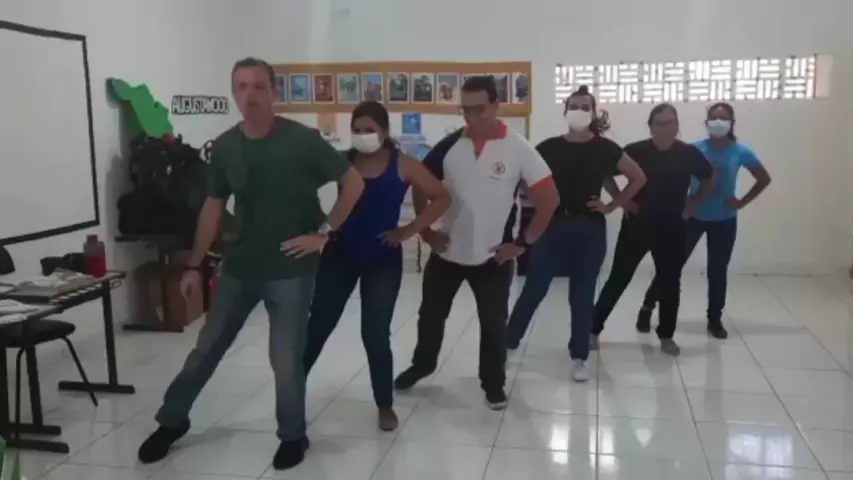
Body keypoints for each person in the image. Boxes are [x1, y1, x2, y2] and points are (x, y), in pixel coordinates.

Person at [137, 58, 365, 471]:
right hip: (240, 268)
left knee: (285, 361)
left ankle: (293, 435)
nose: (251, 94)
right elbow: (212, 207)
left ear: (274, 92)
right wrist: (194, 265)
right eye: (242, 86)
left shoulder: (302, 141)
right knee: (205, 351)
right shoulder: (226, 146)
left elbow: (353, 182)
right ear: (234, 94)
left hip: (291, 270)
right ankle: (171, 421)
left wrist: (325, 232)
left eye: (259, 86)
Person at [393, 76, 559, 410]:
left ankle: (493, 383)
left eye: (479, 109)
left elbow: (549, 200)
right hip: (447, 252)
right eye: (465, 110)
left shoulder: (518, 148)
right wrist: (426, 232)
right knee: (430, 316)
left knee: (494, 325)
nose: (471, 117)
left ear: (496, 105)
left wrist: (522, 244)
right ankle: (423, 364)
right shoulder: (449, 145)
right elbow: (419, 184)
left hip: (493, 257)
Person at [303, 101, 450, 432]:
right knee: (318, 326)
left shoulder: (403, 164)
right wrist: (320, 224)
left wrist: (411, 230)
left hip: (382, 259)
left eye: (369, 129)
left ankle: (384, 404)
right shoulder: (342, 161)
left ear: (384, 131)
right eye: (356, 129)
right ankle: (291, 393)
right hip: (339, 254)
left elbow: (442, 196)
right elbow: (303, 186)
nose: (362, 135)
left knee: (374, 333)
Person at [505, 86, 647, 382]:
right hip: (552, 226)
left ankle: (579, 356)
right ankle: (507, 343)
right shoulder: (548, 147)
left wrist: (611, 206)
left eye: (585, 107)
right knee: (534, 288)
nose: (579, 111)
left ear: (593, 113)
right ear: (565, 111)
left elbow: (638, 177)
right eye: (574, 106)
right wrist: (538, 201)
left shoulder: (606, 148)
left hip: (589, 228)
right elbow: (524, 178)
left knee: (582, 295)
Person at [591, 103, 716, 356]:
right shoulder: (635, 151)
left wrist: (693, 204)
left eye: (671, 123)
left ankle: (666, 336)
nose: (665, 128)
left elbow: (709, 177)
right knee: (619, 278)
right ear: (651, 126)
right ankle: (592, 330)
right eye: (660, 123)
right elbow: (605, 173)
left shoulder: (688, 153)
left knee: (670, 282)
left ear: (677, 125)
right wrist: (623, 202)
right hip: (637, 225)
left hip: (672, 227)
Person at [638, 102, 771, 339]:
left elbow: (763, 178)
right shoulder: (695, 150)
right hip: (693, 217)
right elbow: (673, 177)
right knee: (671, 266)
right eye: (713, 118)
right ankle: (648, 307)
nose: (718, 122)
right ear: (706, 122)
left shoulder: (741, 152)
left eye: (723, 118)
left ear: (731, 123)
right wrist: (683, 203)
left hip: (724, 220)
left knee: (717, 271)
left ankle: (714, 319)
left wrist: (741, 202)